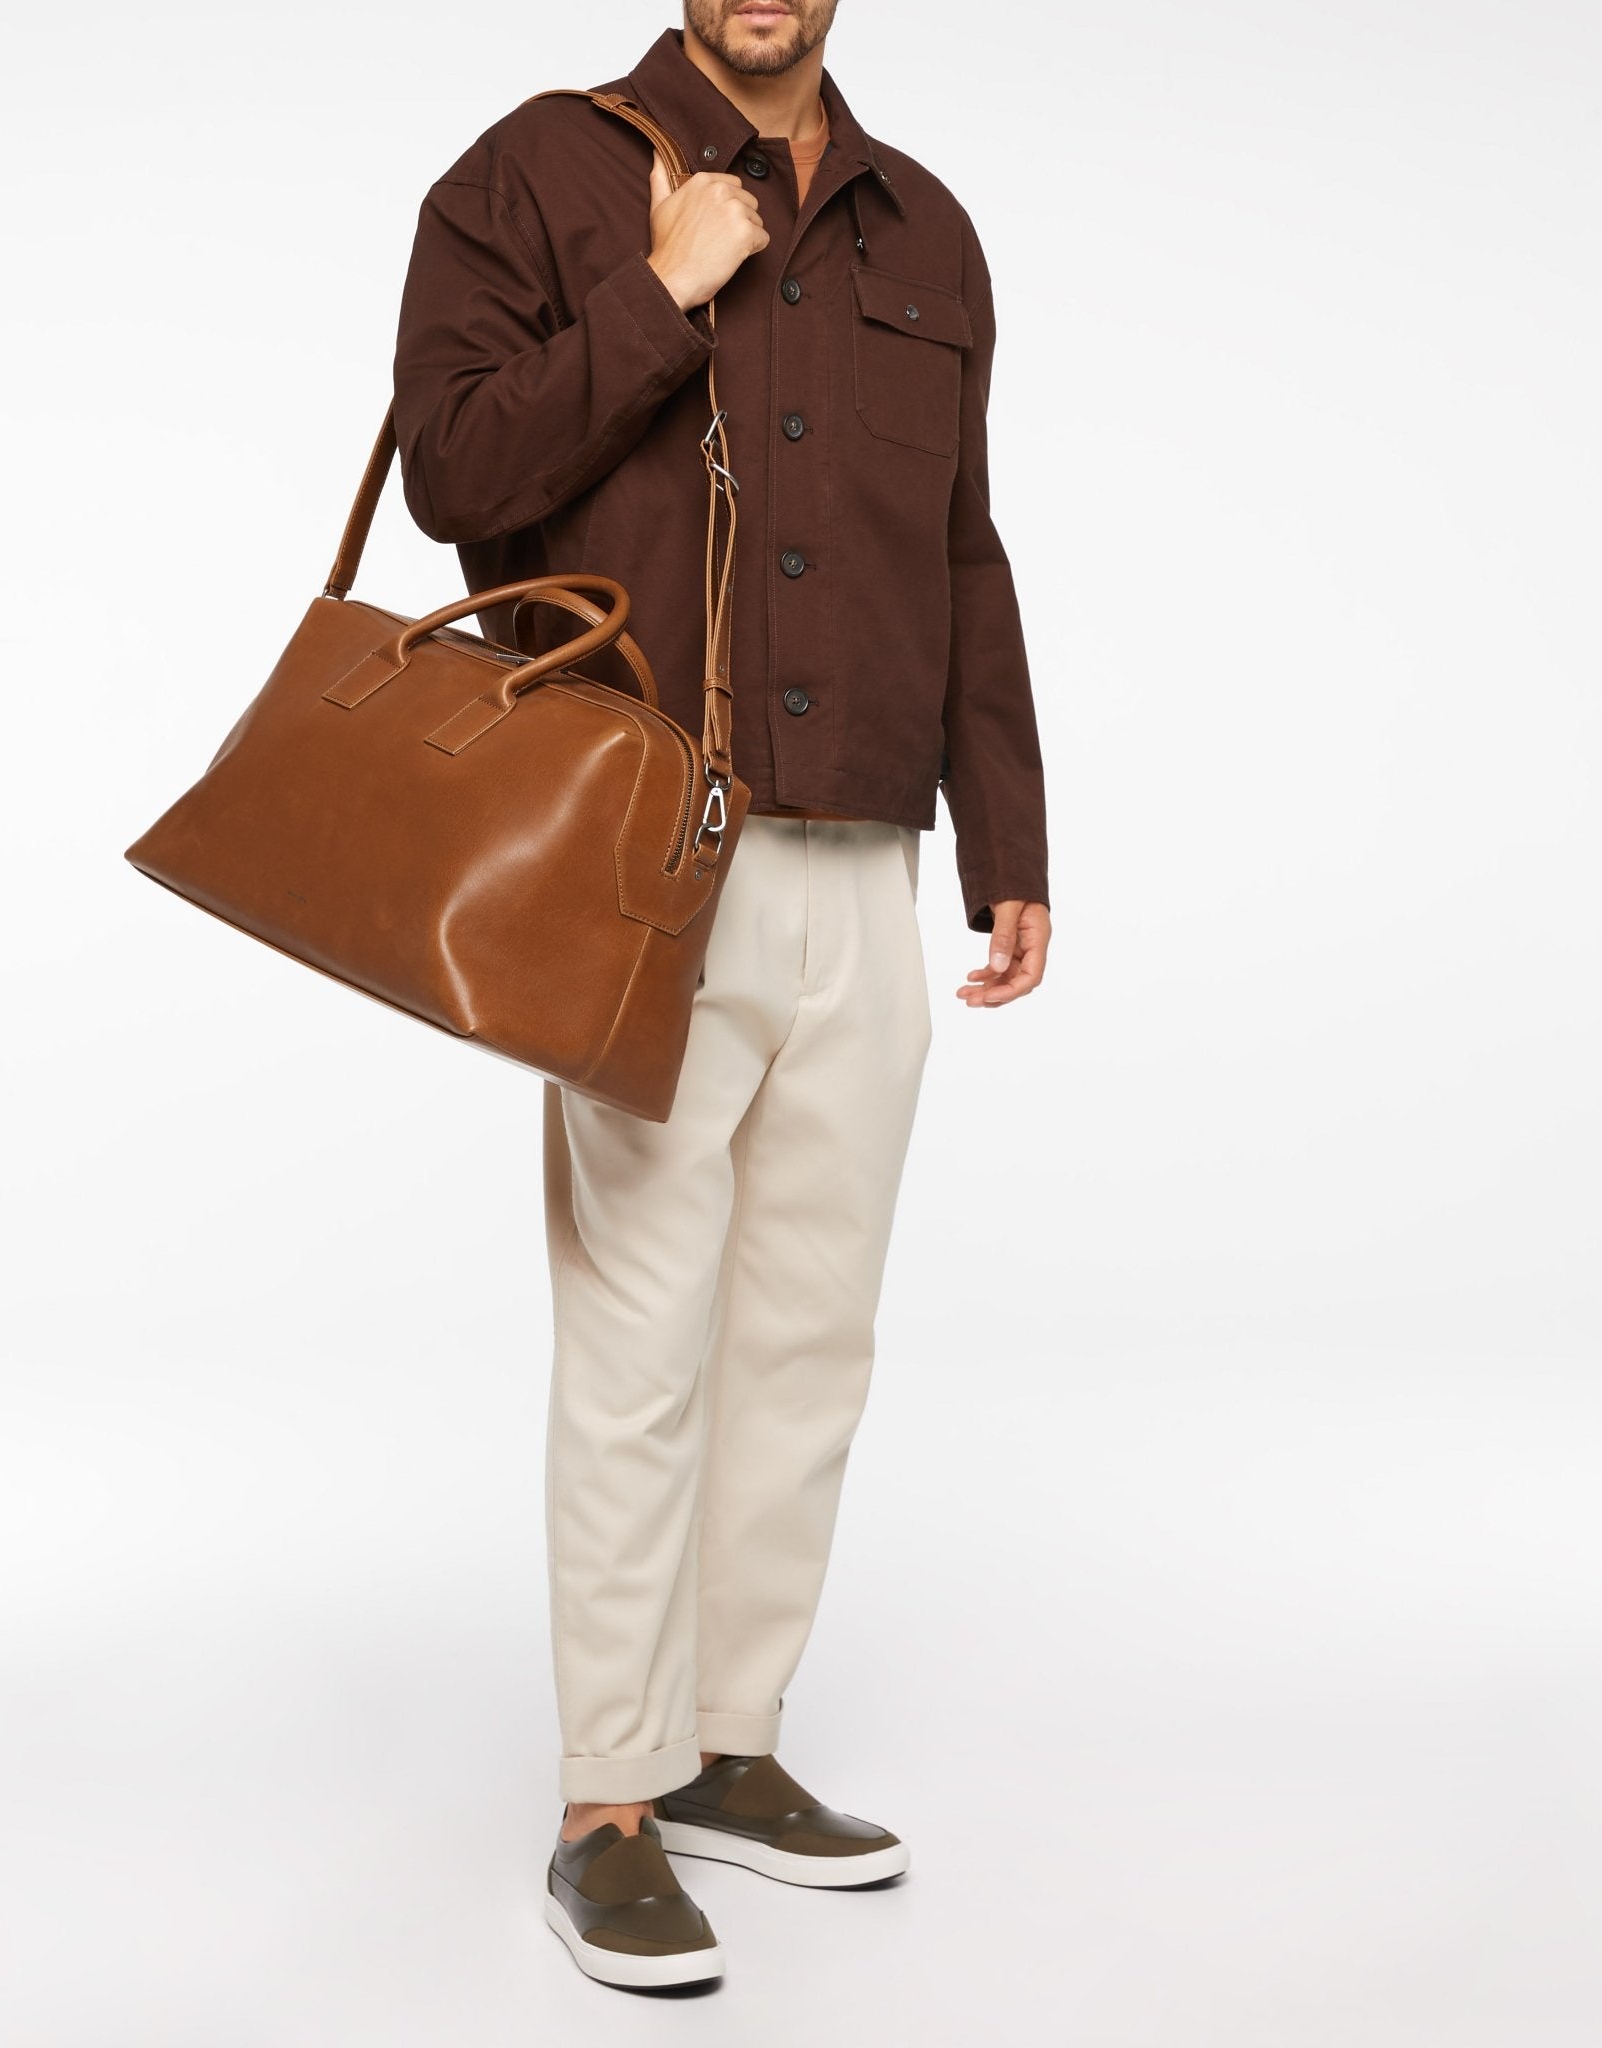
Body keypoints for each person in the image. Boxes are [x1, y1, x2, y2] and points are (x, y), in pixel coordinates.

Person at [392, 0, 1050, 1990]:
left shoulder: (924, 227)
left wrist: (1007, 834)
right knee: (638, 1333)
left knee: (808, 1336)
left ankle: (723, 1742)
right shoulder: (538, 171)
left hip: (867, 856)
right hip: (640, 859)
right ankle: (607, 1797)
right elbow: (453, 467)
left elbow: (960, 545)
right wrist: (660, 294)